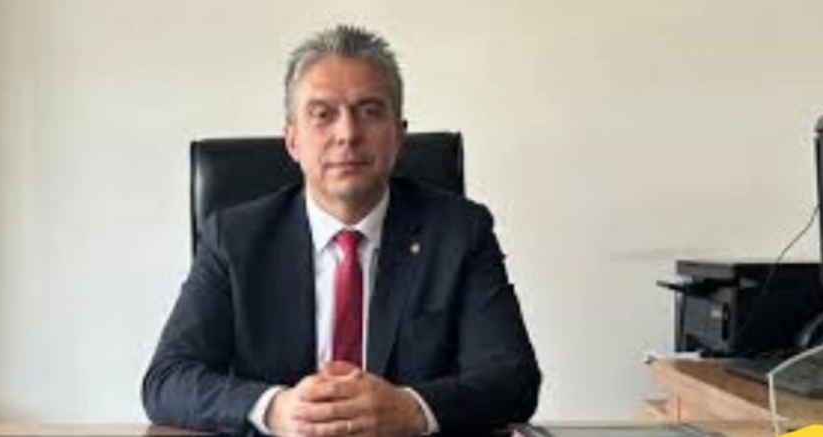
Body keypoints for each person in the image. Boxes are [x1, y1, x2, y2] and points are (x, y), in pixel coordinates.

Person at [143, 24, 541, 437]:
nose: (348, 134)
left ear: (399, 135)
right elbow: (167, 380)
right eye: (322, 115)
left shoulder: (460, 232)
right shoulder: (234, 239)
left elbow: (513, 378)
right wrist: (275, 409)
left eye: (370, 111)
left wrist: (411, 409)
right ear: (292, 140)